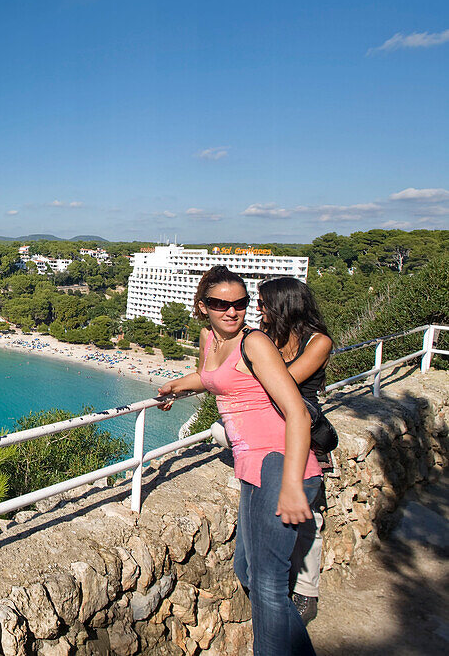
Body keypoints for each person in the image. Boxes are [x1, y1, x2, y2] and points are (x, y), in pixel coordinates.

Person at [158, 266, 320, 655]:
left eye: (241, 303)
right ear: (203, 307)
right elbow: (212, 379)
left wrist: (292, 485)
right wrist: (175, 387)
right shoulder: (209, 339)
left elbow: (297, 413)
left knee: (267, 584)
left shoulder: (256, 343)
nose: (232, 312)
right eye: (221, 304)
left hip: (279, 463)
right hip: (251, 465)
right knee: (247, 570)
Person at [256, 277, 334, 625]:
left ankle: (307, 592)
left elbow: (285, 381)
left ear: (282, 305)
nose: (258, 310)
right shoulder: (269, 338)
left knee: (307, 518)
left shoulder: (318, 342)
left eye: (262, 303)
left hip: (302, 428)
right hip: (271, 427)